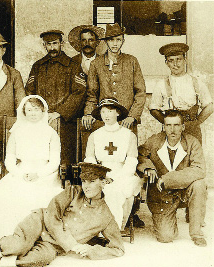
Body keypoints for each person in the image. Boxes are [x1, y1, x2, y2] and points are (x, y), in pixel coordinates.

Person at [0, 163, 124, 266]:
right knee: (19, 244)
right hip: (40, 222)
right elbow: (52, 214)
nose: (86, 186)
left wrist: (91, 250)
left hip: (54, 245)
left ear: (104, 182)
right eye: (84, 181)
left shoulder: (106, 216)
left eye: (92, 181)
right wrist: (70, 243)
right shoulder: (73, 191)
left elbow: (118, 249)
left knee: (40, 259)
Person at [0, 95, 64, 237]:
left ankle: (37, 233)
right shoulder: (17, 132)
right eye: (29, 110)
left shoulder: (51, 133)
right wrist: (19, 173)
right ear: (24, 112)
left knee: (37, 192)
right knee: (3, 189)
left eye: (36, 110)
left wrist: (39, 174)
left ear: (43, 111)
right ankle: (12, 233)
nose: (33, 113)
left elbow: (55, 161)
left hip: (45, 173)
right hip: (22, 170)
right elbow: (10, 158)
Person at [137, 110, 207, 247]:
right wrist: (148, 167)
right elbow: (140, 155)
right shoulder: (155, 141)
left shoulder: (192, 142)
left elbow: (199, 169)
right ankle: (165, 220)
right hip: (162, 196)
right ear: (164, 126)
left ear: (183, 127)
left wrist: (168, 179)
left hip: (184, 192)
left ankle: (196, 233)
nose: (172, 129)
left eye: (176, 125)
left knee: (199, 184)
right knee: (166, 236)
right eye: (168, 125)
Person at [25, 30, 87, 164]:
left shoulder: (73, 66)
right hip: (42, 121)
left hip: (66, 124)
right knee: (42, 157)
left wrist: (59, 113)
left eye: (55, 43)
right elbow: (30, 91)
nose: (52, 47)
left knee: (65, 160)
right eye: (49, 44)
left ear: (61, 44)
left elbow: (79, 92)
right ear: (44, 45)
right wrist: (39, 112)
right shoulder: (38, 66)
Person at [84, 98, 142, 230]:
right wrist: (100, 176)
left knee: (115, 190)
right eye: (103, 112)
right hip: (100, 173)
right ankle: (97, 230)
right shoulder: (95, 135)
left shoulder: (128, 135)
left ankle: (113, 230)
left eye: (110, 111)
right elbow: (90, 159)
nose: (106, 115)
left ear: (117, 113)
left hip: (123, 173)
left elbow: (131, 161)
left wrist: (116, 178)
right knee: (98, 189)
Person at [82, 23, 146, 135]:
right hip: (104, 121)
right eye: (111, 40)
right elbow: (92, 94)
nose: (115, 44)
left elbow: (140, 92)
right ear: (106, 41)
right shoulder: (96, 64)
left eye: (118, 40)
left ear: (123, 41)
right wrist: (88, 113)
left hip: (127, 121)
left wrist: (132, 116)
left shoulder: (131, 61)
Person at [149, 43, 213, 143]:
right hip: (171, 131)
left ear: (185, 60)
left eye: (178, 59)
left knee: (194, 156)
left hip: (193, 130)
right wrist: (168, 123)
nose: (175, 64)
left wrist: (196, 122)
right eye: (171, 61)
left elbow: (209, 107)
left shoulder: (196, 83)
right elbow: (153, 109)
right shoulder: (161, 84)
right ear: (166, 63)